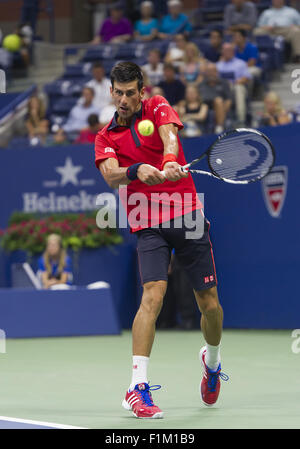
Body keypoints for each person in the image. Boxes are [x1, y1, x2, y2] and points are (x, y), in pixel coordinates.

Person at [94, 61, 227, 418]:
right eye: (117, 93)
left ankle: (211, 363)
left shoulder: (157, 105)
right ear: (111, 92)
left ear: (142, 89)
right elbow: (110, 175)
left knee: (210, 304)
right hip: (146, 222)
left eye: (130, 93)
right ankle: (137, 388)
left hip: (187, 213)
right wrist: (137, 170)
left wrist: (169, 161)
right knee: (152, 294)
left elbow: (170, 135)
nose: (124, 100)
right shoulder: (105, 137)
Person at [216, 42, 251, 126]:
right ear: (222, 52)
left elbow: (246, 77)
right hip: (221, 89)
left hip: (235, 87)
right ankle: (219, 124)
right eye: (225, 50)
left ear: (233, 51)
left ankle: (241, 120)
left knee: (239, 88)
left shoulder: (240, 63)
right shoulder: (218, 65)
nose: (227, 52)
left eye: (229, 50)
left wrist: (235, 82)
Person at [199, 63, 233, 134]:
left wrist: (223, 111)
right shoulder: (201, 84)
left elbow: (228, 100)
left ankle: (219, 126)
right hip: (205, 107)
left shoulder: (224, 83)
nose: (211, 73)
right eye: (209, 71)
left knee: (218, 101)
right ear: (206, 73)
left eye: (213, 71)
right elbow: (199, 99)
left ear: (217, 72)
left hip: (220, 107)